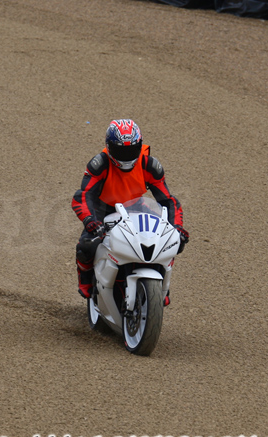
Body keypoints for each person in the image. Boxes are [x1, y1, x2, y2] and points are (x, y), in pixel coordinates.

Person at [71, 119, 189, 301]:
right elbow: (83, 195)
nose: (126, 155)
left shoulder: (149, 165)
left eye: (130, 150)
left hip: (136, 206)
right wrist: (90, 220)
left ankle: (161, 288)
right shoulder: (99, 164)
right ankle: (86, 281)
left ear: (139, 145)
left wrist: (177, 227)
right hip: (103, 209)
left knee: (171, 241)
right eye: (120, 150)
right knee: (87, 245)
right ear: (109, 147)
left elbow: (168, 200)